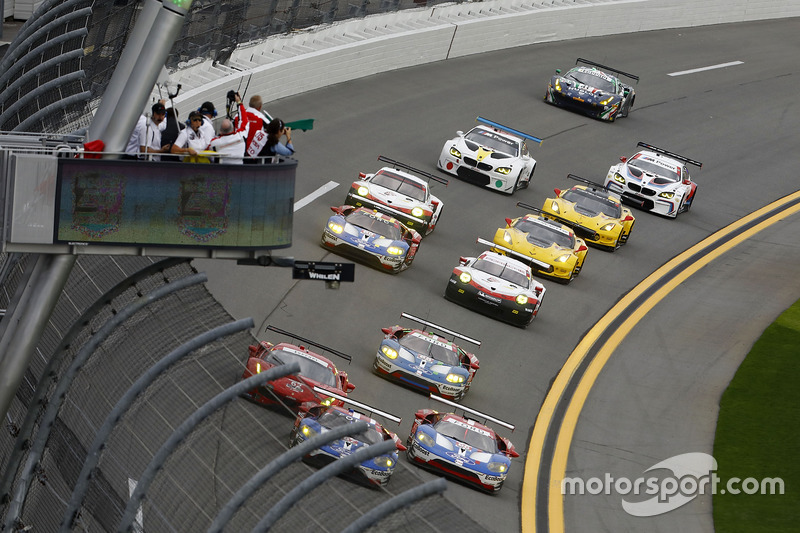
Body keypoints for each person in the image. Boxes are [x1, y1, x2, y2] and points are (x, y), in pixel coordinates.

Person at [235, 94, 271, 163]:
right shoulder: (261, 118)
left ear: (249, 104)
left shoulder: (237, 116)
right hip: (253, 155)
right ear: (260, 107)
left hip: (237, 153)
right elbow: (273, 129)